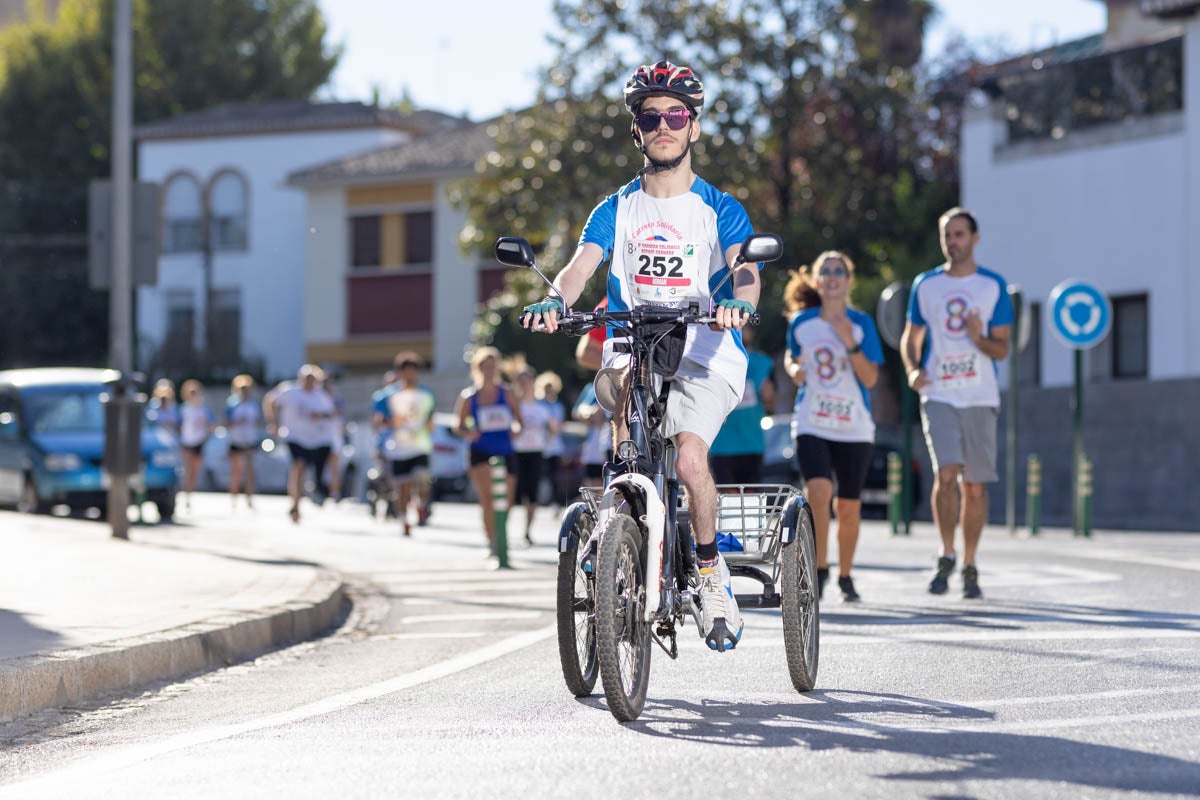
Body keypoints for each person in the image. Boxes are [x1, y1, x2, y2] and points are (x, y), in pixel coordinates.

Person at [521, 60, 761, 652]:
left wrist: (736, 303)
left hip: (706, 353)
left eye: (676, 115)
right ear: (637, 130)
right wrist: (553, 301)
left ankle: (708, 573)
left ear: (694, 128)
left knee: (687, 460)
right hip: (635, 348)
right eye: (650, 116)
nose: (664, 125)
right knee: (625, 448)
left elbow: (746, 270)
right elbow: (581, 268)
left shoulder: (719, 208)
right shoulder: (616, 209)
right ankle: (617, 541)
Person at [901, 207, 1013, 599]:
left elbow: (1001, 350)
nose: (953, 242)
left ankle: (969, 562)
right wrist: (914, 369)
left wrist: (978, 337)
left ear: (975, 238)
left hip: (980, 396)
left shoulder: (992, 286)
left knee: (976, 486)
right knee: (946, 472)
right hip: (940, 393)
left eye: (960, 234)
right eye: (947, 235)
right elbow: (910, 338)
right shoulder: (927, 285)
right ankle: (945, 554)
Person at [783, 251, 884, 603]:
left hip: (854, 426)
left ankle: (845, 574)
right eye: (825, 271)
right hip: (812, 420)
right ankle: (819, 568)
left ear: (849, 279)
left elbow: (870, 377)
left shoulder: (861, 323)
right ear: (817, 279)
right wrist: (794, 369)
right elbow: (792, 355)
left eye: (839, 270)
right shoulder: (801, 321)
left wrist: (848, 340)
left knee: (849, 506)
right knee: (819, 491)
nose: (832, 276)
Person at [454, 346, 522, 555]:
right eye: (485, 366)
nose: (489, 370)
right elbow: (458, 425)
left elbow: (519, 421)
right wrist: (469, 433)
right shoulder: (469, 396)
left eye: (493, 366)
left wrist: (516, 430)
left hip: (506, 450)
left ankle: (500, 535)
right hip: (480, 451)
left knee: (507, 500)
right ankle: (492, 541)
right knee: (488, 500)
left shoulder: (507, 393)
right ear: (477, 368)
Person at [264, 365, 337, 523]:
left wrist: (318, 415)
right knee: (298, 465)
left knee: (308, 470)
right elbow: (270, 400)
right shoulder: (289, 391)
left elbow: (331, 413)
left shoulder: (320, 395)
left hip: (314, 439)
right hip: (294, 436)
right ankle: (295, 503)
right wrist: (274, 422)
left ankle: (307, 495)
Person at [374, 352, 436, 536]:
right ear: (400, 372)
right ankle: (403, 520)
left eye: (413, 371)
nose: (409, 375)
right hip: (398, 448)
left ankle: (421, 505)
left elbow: (430, 418)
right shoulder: (387, 396)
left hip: (420, 445)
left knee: (421, 478)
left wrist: (428, 427)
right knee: (402, 488)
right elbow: (378, 422)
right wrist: (394, 422)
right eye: (406, 371)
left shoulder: (426, 394)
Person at [709, 325, 776, 485]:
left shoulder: (763, 363)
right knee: (726, 499)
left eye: (746, 327)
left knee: (750, 499)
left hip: (752, 445)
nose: (740, 331)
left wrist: (769, 395)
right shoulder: (713, 361)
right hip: (721, 446)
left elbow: (771, 403)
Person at [512, 367, 556, 544]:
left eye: (528, 381)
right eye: (521, 381)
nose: (525, 385)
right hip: (517, 452)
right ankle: (505, 530)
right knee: (515, 493)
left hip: (535, 452)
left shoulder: (541, 407)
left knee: (532, 494)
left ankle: (527, 530)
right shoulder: (514, 405)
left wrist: (547, 440)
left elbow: (553, 428)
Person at [225, 374, 263, 509]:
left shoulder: (253, 405)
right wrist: (238, 422)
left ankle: (249, 497)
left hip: (250, 439)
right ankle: (234, 497)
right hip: (236, 439)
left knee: (250, 470)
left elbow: (258, 422)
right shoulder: (232, 404)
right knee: (237, 470)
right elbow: (226, 423)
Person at [178, 379, 215, 511]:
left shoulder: (204, 409)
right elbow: (178, 425)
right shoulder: (183, 409)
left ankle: (189, 494)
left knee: (194, 471)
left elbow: (212, 426)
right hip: (186, 442)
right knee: (187, 470)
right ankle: (185, 494)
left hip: (199, 442)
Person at [536, 371, 569, 508]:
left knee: (554, 476)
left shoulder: (558, 406)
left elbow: (559, 425)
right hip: (539, 445)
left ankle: (555, 501)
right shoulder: (538, 404)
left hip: (554, 446)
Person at [147, 378, 181, 443]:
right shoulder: (153, 405)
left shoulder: (174, 407)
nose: (163, 395)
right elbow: (150, 424)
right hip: (155, 441)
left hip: (172, 440)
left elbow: (178, 425)